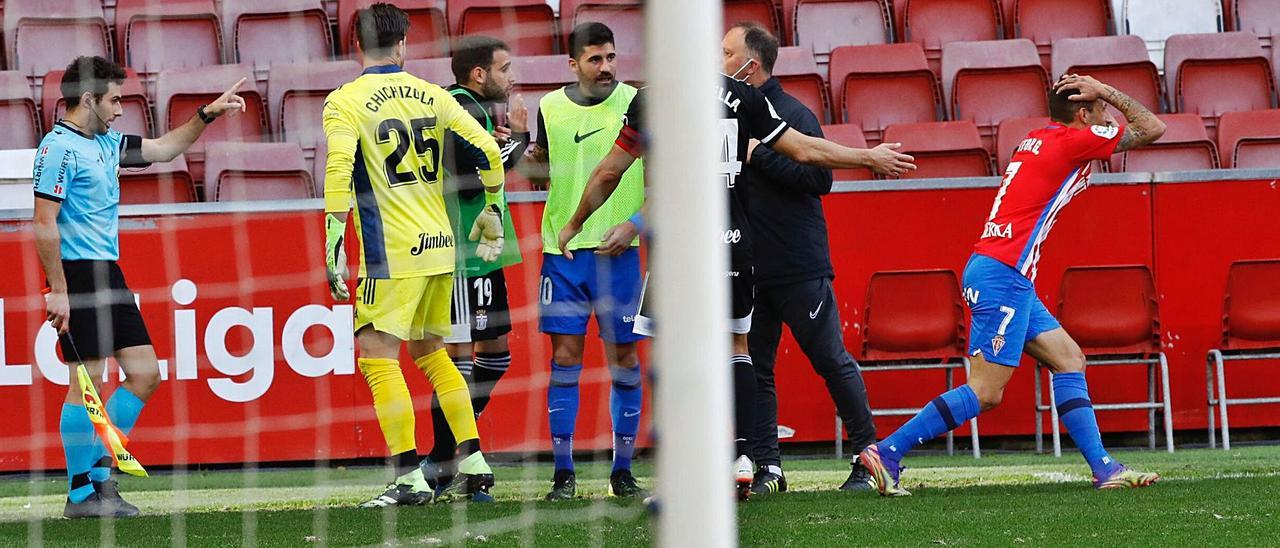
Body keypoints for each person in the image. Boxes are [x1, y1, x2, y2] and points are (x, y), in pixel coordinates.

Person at [558, 52, 916, 501]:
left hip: (679, 246)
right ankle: (742, 458)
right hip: (731, 238)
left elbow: (612, 171)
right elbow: (804, 148)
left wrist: (574, 223)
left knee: (673, 353)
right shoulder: (739, 94)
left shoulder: (650, 100)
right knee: (738, 347)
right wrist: (867, 156)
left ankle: (683, 470)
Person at [859, 74, 1167, 496]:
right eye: (1100, 109)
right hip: (1003, 275)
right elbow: (1152, 128)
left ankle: (1105, 468)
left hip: (1004, 274)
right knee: (986, 393)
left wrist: (1099, 97)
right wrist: (1108, 89)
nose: (1108, 116)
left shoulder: (1038, 137)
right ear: (1083, 114)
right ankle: (888, 452)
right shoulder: (1075, 141)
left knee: (1069, 359)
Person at [34, 55, 247, 518]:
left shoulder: (108, 143)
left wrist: (207, 114)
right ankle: (79, 495)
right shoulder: (57, 148)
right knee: (84, 383)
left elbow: (166, 149)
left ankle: (99, 477)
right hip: (77, 272)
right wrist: (58, 288)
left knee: (146, 373)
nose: (119, 108)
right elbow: (44, 221)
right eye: (114, 99)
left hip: (108, 271)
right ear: (88, 99)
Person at [321, 3, 506, 507]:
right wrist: (492, 211)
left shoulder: (345, 102)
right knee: (432, 354)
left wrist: (334, 241)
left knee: (377, 357)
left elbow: (339, 171)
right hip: (441, 247)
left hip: (392, 253)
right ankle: (473, 463)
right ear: (403, 44)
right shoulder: (432, 94)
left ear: (356, 45)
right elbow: (489, 151)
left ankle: (407, 479)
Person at [719, 22, 877, 495]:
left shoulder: (791, 113)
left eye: (726, 54)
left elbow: (819, 179)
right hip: (747, 265)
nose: (718, 63)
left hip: (797, 263)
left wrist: (759, 154)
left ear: (752, 64)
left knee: (829, 359)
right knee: (756, 367)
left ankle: (870, 458)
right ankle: (769, 466)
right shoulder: (727, 117)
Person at [520, 22, 648, 500]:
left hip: (620, 252)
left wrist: (634, 222)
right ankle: (563, 473)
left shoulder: (636, 103)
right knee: (565, 358)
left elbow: (656, 174)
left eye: (611, 57)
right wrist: (522, 151)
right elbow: (543, 173)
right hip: (564, 252)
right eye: (595, 59)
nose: (606, 67)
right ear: (572, 64)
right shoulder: (549, 106)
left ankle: (622, 469)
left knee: (625, 358)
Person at [420, 35, 529, 494]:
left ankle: (446, 456)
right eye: (504, 69)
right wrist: (520, 139)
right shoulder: (467, 109)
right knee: (460, 361)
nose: (511, 77)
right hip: (465, 250)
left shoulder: (457, 107)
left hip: (482, 250)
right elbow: (471, 183)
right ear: (479, 74)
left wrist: (494, 143)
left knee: (496, 353)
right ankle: (448, 462)